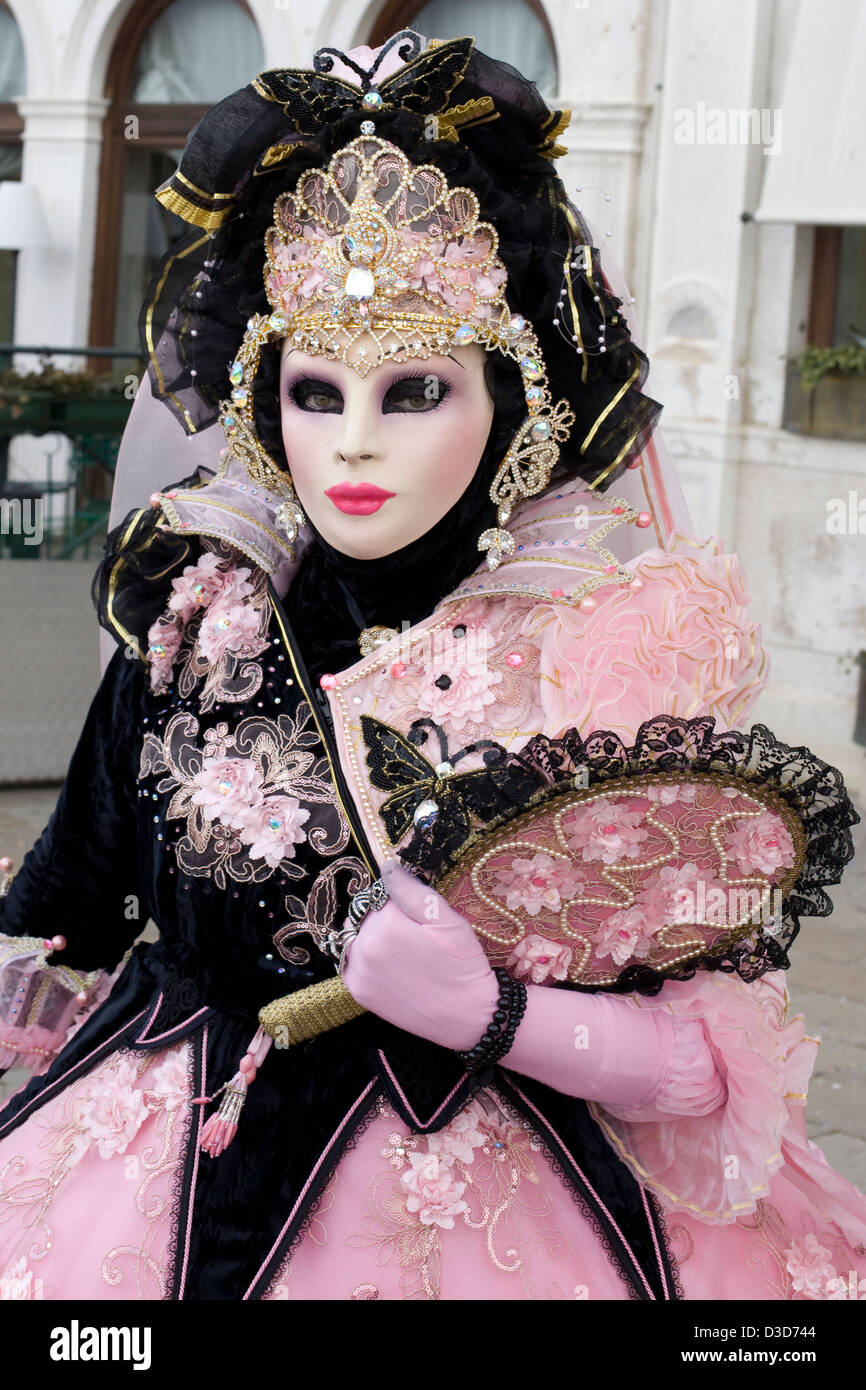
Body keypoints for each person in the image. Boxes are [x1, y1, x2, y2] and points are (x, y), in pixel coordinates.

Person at [0, 30, 864, 1303]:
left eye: (412, 391)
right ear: (261, 398)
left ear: (509, 407)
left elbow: (709, 1062)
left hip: (491, 1206)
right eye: (312, 390)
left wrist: (498, 1017)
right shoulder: (199, 615)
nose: (350, 442)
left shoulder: (598, 660)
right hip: (146, 1181)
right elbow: (68, 908)